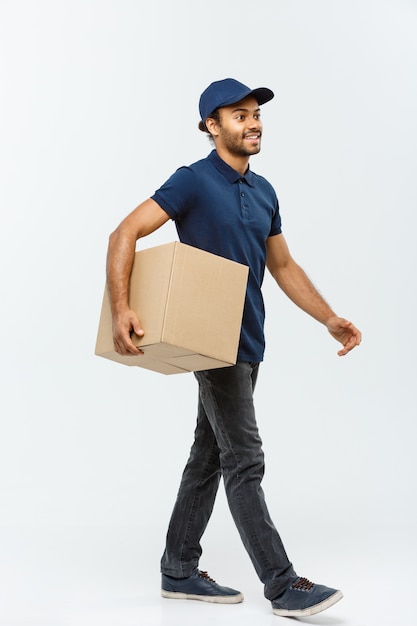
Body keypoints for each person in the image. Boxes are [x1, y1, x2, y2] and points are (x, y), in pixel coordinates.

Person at [105, 78, 361, 618]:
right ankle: (282, 584)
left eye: (256, 114)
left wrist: (328, 318)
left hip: (249, 340)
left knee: (209, 455)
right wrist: (123, 307)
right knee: (244, 459)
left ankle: (178, 569)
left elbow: (283, 266)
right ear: (211, 126)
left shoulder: (264, 190)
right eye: (239, 115)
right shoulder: (192, 182)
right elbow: (124, 233)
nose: (253, 123)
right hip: (209, 339)